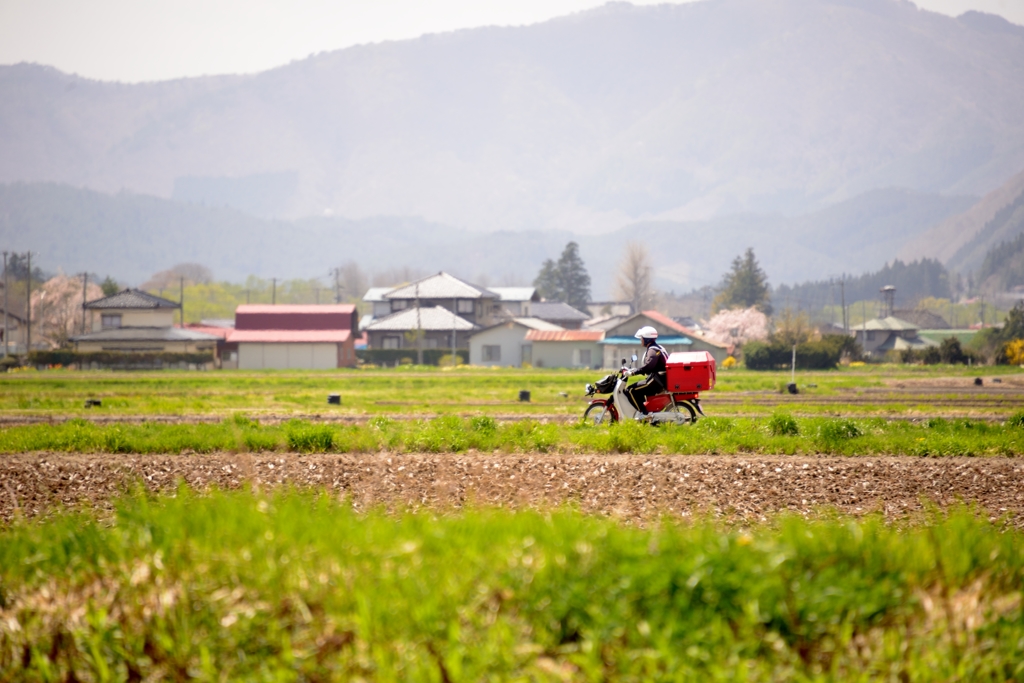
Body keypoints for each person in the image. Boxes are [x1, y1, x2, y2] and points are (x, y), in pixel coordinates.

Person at [624, 326, 668, 419]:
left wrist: (634, 372)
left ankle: (643, 413)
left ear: (647, 339)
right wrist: (636, 370)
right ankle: (645, 409)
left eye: (642, 338)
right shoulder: (658, 348)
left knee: (631, 390)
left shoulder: (653, 350)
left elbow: (649, 366)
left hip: (656, 381)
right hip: (659, 379)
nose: (641, 340)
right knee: (638, 389)